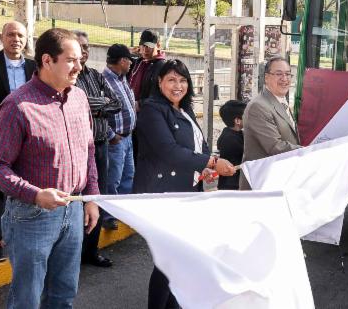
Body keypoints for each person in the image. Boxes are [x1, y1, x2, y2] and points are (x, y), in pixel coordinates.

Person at [0, 28, 100, 309]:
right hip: (30, 216)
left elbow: (89, 151)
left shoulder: (79, 99)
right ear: (47, 60)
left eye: (80, 60)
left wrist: (91, 196)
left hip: (73, 209)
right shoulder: (17, 106)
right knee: (27, 298)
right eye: (71, 60)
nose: (78, 67)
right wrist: (35, 194)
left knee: (63, 294)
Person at [133, 59, 235, 309]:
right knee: (169, 261)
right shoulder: (151, 110)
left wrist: (204, 168)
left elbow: (199, 146)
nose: (177, 86)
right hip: (162, 195)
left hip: (185, 192)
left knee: (178, 259)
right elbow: (169, 151)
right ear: (159, 82)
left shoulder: (184, 109)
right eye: (171, 80)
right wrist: (211, 163)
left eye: (182, 80)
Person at [0, 21, 36, 262]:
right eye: (11, 35)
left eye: (20, 35)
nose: (16, 40)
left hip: (30, 134)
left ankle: (26, 231)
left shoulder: (35, 66)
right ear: (1, 37)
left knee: (27, 182)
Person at [73, 31, 121, 268]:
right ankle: (73, 252)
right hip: (77, 148)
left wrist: (91, 105)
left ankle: (90, 251)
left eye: (87, 46)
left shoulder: (94, 75)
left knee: (96, 198)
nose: (84, 51)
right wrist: (97, 105)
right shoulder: (69, 77)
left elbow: (117, 104)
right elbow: (74, 103)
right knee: (75, 200)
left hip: (100, 146)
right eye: (80, 46)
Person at [240, 57, 301, 190]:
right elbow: (275, 146)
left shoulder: (281, 102)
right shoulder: (259, 106)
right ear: (266, 77)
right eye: (279, 74)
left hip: (280, 179)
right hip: (262, 183)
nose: (285, 79)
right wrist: (308, 151)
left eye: (288, 74)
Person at [101, 44, 137, 231]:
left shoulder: (122, 79)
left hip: (127, 138)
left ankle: (122, 211)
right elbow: (97, 113)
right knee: (112, 179)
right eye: (130, 61)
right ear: (122, 61)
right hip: (116, 140)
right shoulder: (104, 81)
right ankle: (108, 216)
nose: (131, 64)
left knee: (127, 176)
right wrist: (111, 135)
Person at [128, 29, 166, 109]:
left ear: (158, 45)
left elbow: (162, 96)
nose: (145, 50)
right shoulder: (138, 62)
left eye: (149, 46)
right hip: (133, 111)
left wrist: (140, 104)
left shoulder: (163, 67)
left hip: (150, 112)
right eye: (143, 46)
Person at [216, 100, 246, 190]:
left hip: (232, 182)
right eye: (247, 115)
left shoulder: (233, 133)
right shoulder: (230, 139)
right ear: (237, 120)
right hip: (232, 185)